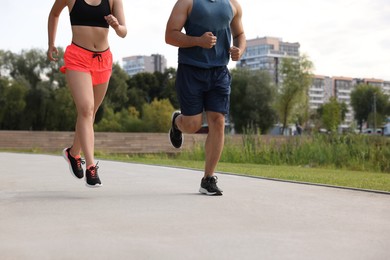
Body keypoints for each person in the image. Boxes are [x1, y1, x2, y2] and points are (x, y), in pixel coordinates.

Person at [165, 0, 246, 195]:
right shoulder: (187, 2)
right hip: (191, 70)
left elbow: (240, 34)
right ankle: (177, 122)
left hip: (219, 72)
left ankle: (208, 179)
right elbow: (170, 35)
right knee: (193, 125)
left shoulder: (232, 4)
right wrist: (197, 41)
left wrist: (239, 50)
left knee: (218, 121)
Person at [47, 0, 127, 187]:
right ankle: (91, 167)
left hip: (103, 59)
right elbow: (54, 14)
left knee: (89, 115)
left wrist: (116, 25)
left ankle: (73, 153)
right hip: (78, 58)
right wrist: (51, 43)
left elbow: (124, 32)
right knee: (85, 109)